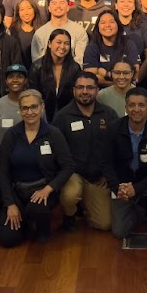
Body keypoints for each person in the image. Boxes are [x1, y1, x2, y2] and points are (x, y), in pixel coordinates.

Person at [0, 89, 74, 247]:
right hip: (17, 192)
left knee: (39, 228)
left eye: (34, 107)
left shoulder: (54, 134)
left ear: (42, 107)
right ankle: (24, 220)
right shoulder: (11, 135)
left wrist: (48, 189)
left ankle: (38, 225)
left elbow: (68, 166)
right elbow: (3, 172)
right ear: (20, 110)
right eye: (25, 108)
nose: (30, 112)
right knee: (7, 240)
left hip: (43, 191)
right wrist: (10, 204)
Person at [103, 87, 147, 250]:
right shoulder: (113, 129)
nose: (136, 109)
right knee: (119, 232)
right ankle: (140, 209)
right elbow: (106, 163)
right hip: (122, 184)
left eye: (141, 105)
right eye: (132, 105)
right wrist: (117, 187)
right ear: (125, 108)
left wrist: (137, 188)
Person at [53, 72, 119, 232]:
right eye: (80, 87)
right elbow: (55, 152)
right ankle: (70, 214)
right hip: (72, 174)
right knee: (70, 195)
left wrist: (108, 175)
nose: (85, 91)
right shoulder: (62, 117)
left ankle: (86, 204)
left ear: (97, 90)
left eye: (90, 87)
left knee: (105, 224)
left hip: (98, 177)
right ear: (74, 91)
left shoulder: (109, 115)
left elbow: (117, 148)